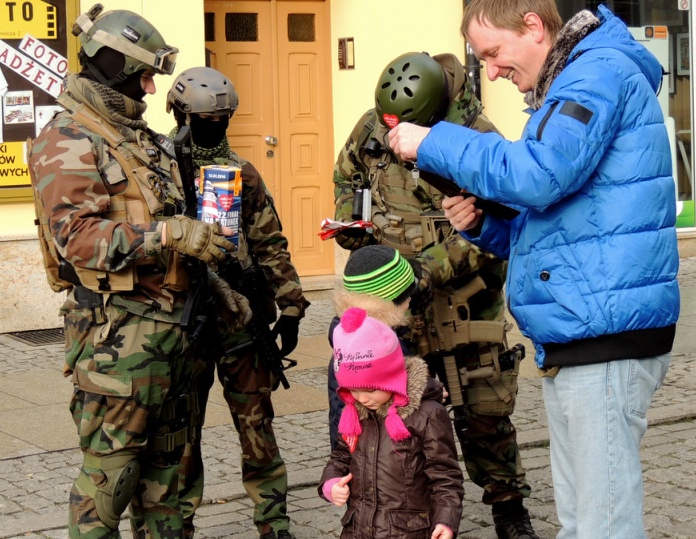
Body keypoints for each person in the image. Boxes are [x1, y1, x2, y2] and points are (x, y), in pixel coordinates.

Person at [387, 1, 681, 537]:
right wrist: (483, 224)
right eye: (483, 60)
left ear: (532, 24)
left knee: (602, 527)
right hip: (579, 332)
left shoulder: (594, 75)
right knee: (581, 524)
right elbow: (552, 222)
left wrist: (434, 141)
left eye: (495, 53)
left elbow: (541, 175)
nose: (493, 71)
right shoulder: (574, 78)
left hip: (604, 334)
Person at [29, 5, 251, 538]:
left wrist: (213, 284)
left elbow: (173, 223)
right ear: (112, 63)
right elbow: (77, 240)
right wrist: (169, 236)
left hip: (176, 342)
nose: (152, 88)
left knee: (170, 490)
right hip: (117, 349)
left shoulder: (140, 139)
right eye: (144, 75)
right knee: (110, 484)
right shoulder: (68, 138)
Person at [332, 51, 538, 538]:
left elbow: (498, 226)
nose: (395, 134)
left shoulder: (477, 135)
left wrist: (423, 271)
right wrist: (354, 228)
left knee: (483, 413)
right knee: (398, 414)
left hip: (464, 297)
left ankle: (509, 508)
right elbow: (347, 176)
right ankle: (404, 510)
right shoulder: (373, 125)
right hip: (392, 306)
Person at [166, 66, 309, 539]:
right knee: (181, 435)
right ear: (181, 115)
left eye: (224, 119)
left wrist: (290, 306)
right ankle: (176, 521)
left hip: (241, 321)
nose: (217, 128)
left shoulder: (240, 173)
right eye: (207, 119)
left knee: (257, 425)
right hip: (183, 322)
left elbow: (270, 242)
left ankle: (273, 521)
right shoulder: (159, 172)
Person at [320, 307, 464, 539]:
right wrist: (332, 483)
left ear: (391, 378)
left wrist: (445, 521)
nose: (362, 398)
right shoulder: (356, 412)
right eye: (353, 390)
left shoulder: (427, 416)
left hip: (407, 532)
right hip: (359, 529)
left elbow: (445, 477)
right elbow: (340, 456)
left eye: (369, 389)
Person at [325, 245, 417, 450]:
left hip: (358, 452)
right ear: (389, 303)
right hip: (379, 455)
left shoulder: (347, 340)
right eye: (405, 297)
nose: (410, 301)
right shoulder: (382, 349)